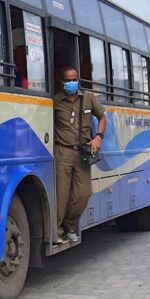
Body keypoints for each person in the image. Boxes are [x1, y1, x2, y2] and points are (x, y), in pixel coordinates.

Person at [53, 66, 106, 244]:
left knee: (83, 194)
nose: (71, 83)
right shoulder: (55, 101)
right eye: (67, 80)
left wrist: (98, 137)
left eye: (73, 79)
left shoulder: (89, 98)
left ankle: (69, 226)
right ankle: (58, 231)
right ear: (62, 82)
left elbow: (102, 117)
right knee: (61, 195)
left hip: (82, 152)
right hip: (62, 151)